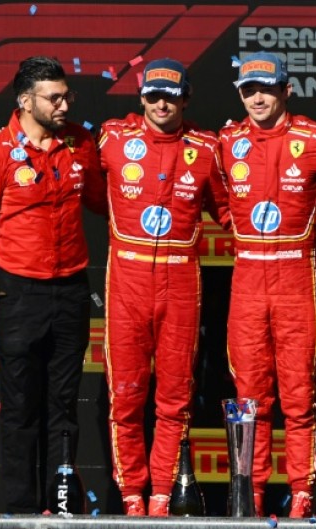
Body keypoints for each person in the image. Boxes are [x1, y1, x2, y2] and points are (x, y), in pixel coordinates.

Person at [0, 56, 105, 514]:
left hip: (71, 291)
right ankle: (21, 512)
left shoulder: (81, 142)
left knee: (63, 405)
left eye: (68, 96)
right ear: (25, 101)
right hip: (16, 294)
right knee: (21, 407)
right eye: (54, 97)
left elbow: (108, 201)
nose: (64, 104)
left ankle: (61, 507)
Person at [97, 58, 231, 517]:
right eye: (153, 95)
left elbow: (231, 212)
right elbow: (83, 188)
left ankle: (161, 500)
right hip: (127, 283)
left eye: (170, 96)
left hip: (180, 284)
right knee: (126, 397)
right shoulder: (113, 138)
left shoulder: (207, 148)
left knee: (174, 399)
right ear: (141, 99)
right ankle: (131, 497)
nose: (160, 103)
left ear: (186, 99)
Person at [218, 51, 316, 518]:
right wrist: (236, 224)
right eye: (249, 90)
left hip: (296, 278)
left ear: (286, 90)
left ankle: (303, 495)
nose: (257, 97)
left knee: (300, 395)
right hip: (247, 278)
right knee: (249, 398)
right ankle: (251, 495)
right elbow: (214, 199)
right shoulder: (224, 141)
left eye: (266, 88)